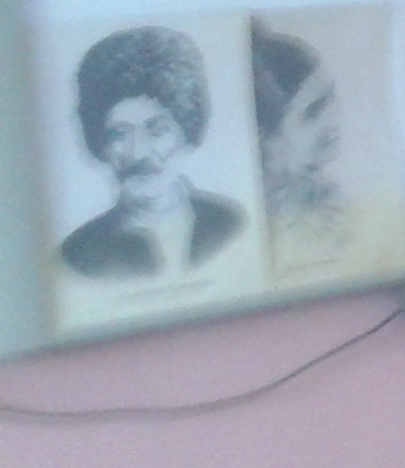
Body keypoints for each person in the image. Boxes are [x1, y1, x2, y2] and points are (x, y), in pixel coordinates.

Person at [60, 25, 246, 278]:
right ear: (100, 144)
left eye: (157, 130)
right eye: (119, 134)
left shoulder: (231, 223)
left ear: (186, 131)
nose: (138, 152)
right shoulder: (79, 256)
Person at [253, 20, 348, 259]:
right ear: (266, 139)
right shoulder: (269, 221)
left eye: (330, 98)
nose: (333, 117)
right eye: (312, 112)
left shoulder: (325, 197)